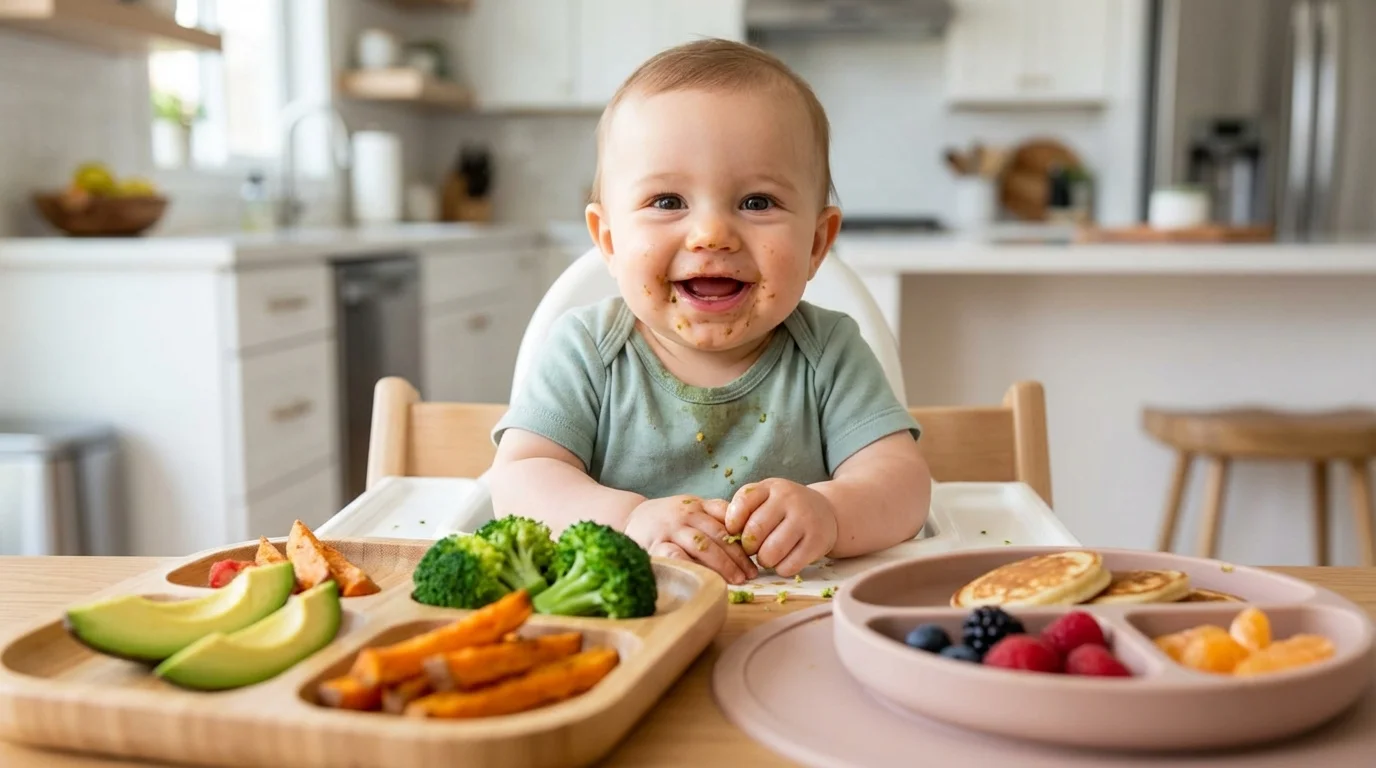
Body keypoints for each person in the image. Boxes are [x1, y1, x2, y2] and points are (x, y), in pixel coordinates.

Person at [487, 38, 931, 584]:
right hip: (628, 623)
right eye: (668, 202)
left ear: (817, 244)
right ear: (608, 240)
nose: (712, 233)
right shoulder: (584, 351)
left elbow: (902, 485)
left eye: (757, 202)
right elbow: (520, 481)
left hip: (794, 617)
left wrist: (833, 514)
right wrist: (627, 520)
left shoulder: (829, 353)